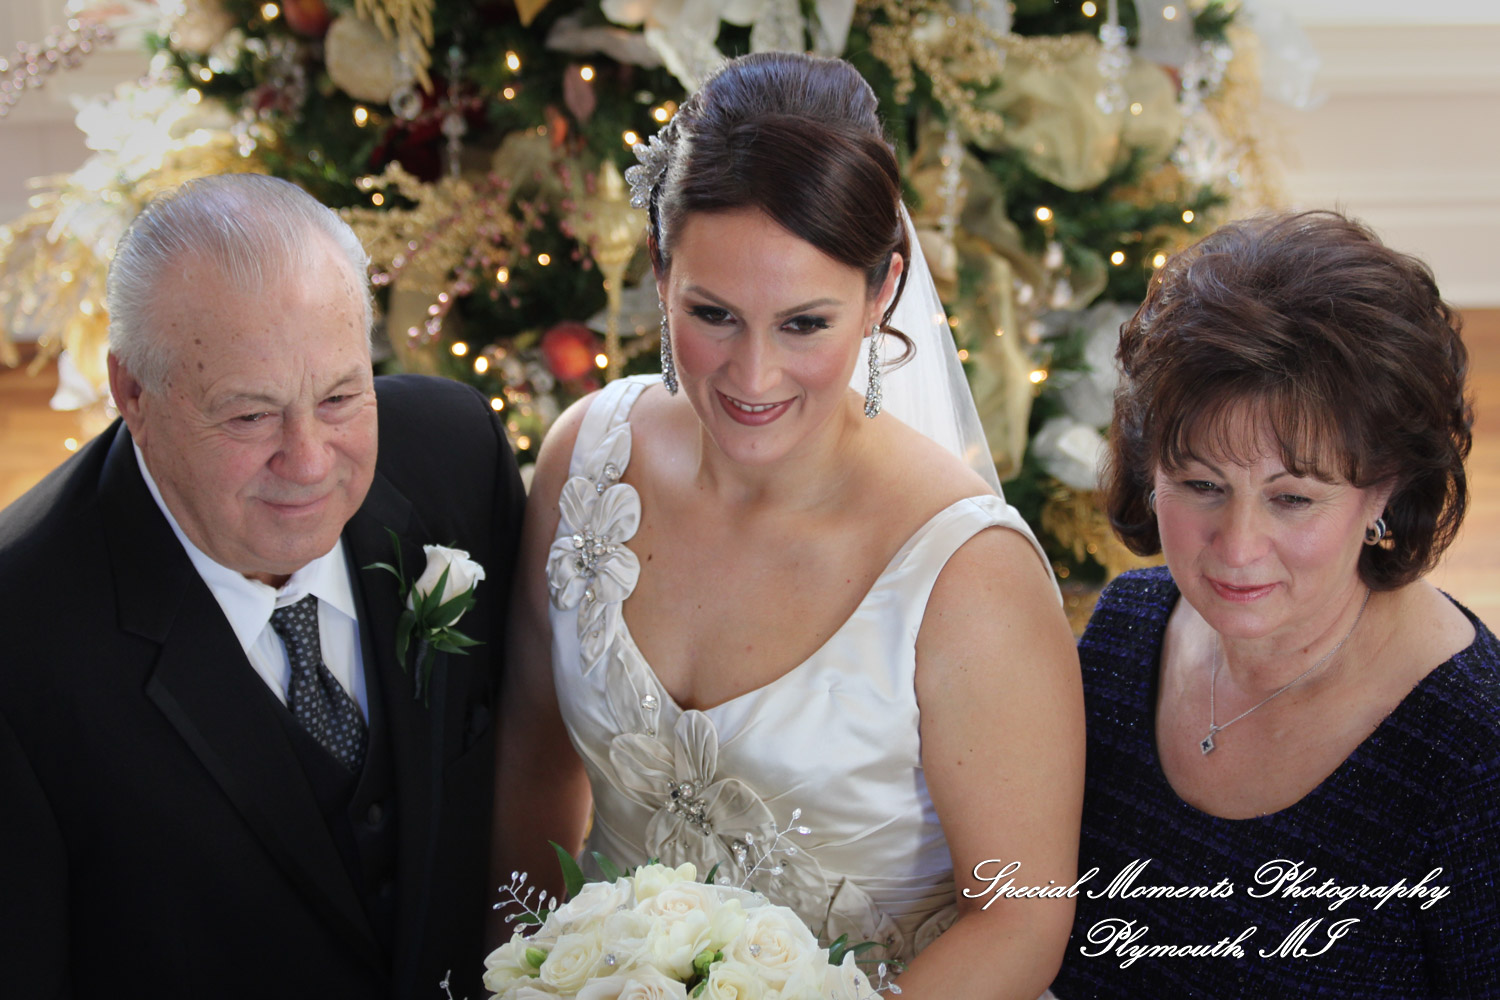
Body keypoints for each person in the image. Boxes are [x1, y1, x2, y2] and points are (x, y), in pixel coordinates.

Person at [495, 52, 1084, 998]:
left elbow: (1023, 915)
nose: (752, 376)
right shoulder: (583, 458)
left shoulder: (970, 573)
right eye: (714, 313)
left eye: (804, 323)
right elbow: (532, 766)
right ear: (660, 271)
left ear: (881, 291)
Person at [0, 173, 525, 997]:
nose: (310, 462)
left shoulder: (458, 459)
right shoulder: (19, 640)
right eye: (249, 416)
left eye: (342, 395)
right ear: (132, 391)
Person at [1049, 211, 1499, 998]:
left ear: (1385, 492)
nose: (1237, 545)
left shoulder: (1473, 753)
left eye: (1292, 498)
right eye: (1200, 486)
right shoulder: (1123, 637)